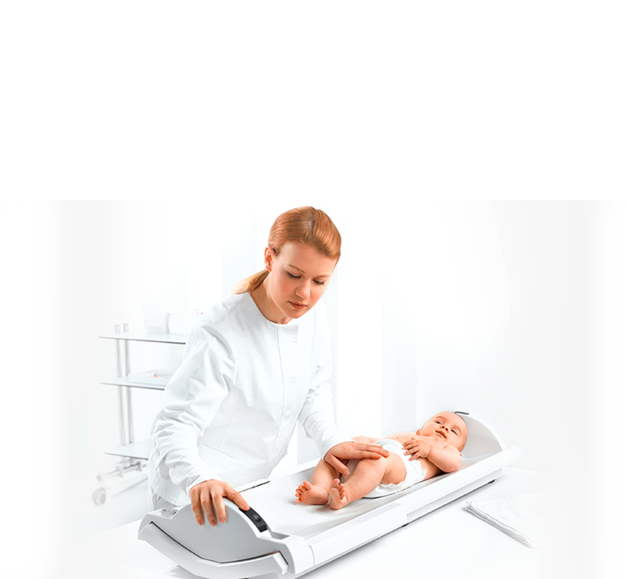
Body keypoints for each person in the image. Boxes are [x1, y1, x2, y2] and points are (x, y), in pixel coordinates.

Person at [148, 206, 391, 526]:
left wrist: (330, 440)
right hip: (192, 492)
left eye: (320, 281)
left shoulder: (312, 315)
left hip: (252, 488)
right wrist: (198, 479)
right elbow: (175, 424)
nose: (305, 293)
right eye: (294, 275)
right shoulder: (220, 330)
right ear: (268, 258)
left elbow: (313, 390)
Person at [295, 411, 467, 509]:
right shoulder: (409, 435)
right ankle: (321, 489)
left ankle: (346, 494)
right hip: (375, 455)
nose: (444, 427)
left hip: (394, 469)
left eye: (454, 431)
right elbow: (377, 440)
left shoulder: (446, 449)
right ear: (419, 431)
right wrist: (358, 442)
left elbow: (454, 463)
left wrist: (429, 450)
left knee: (378, 460)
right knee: (333, 452)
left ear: (458, 448)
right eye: (438, 421)